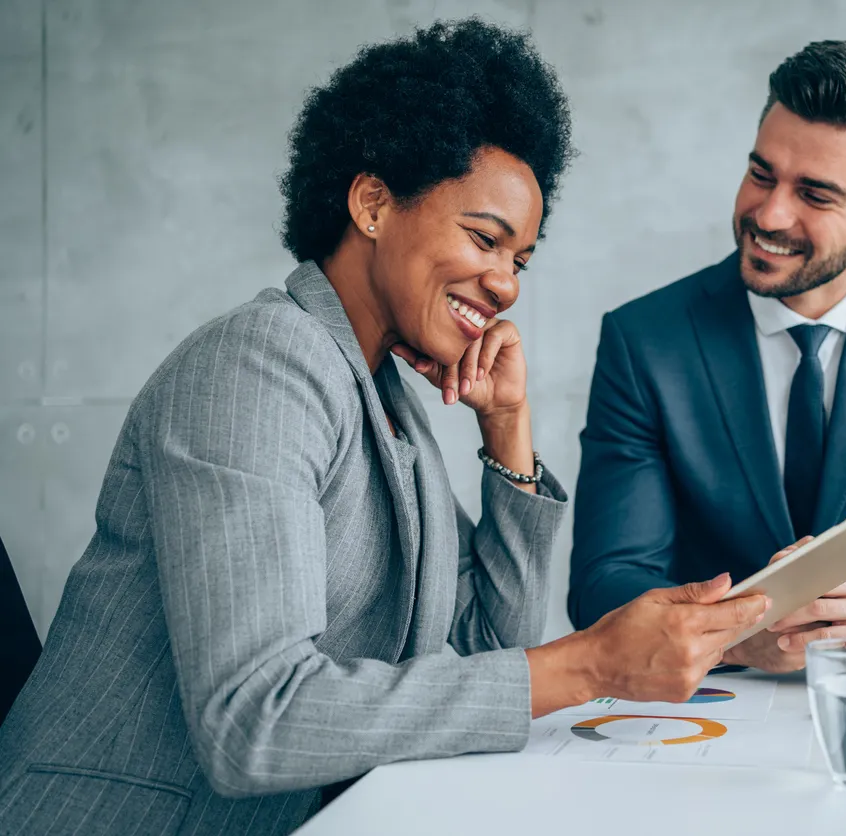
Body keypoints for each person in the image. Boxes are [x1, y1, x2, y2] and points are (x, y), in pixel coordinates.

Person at [0, 20, 766, 836]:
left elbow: (483, 654)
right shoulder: (258, 365)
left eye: (522, 260)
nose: (506, 284)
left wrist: (506, 435)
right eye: (485, 239)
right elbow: (253, 721)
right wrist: (592, 663)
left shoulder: (388, 402)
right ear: (372, 203)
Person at [568, 40, 846, 672]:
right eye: (761, 173)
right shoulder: (645, 340)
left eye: (814, 195)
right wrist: (736, 635)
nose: (769, 212)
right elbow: (606, 581)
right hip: (704, 713)